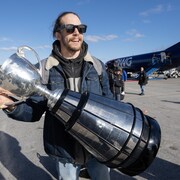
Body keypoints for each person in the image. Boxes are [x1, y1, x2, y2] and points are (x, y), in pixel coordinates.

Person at [0, 11, 113, 180]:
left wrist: (131, 116)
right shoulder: (44, 69)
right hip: (64, 149)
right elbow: (34, 111)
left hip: (97, 146)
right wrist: (11, 106)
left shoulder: (97, 65)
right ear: (57, 34)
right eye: (70, 28)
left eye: (81, 29)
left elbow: (110, 102)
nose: (77, 32)